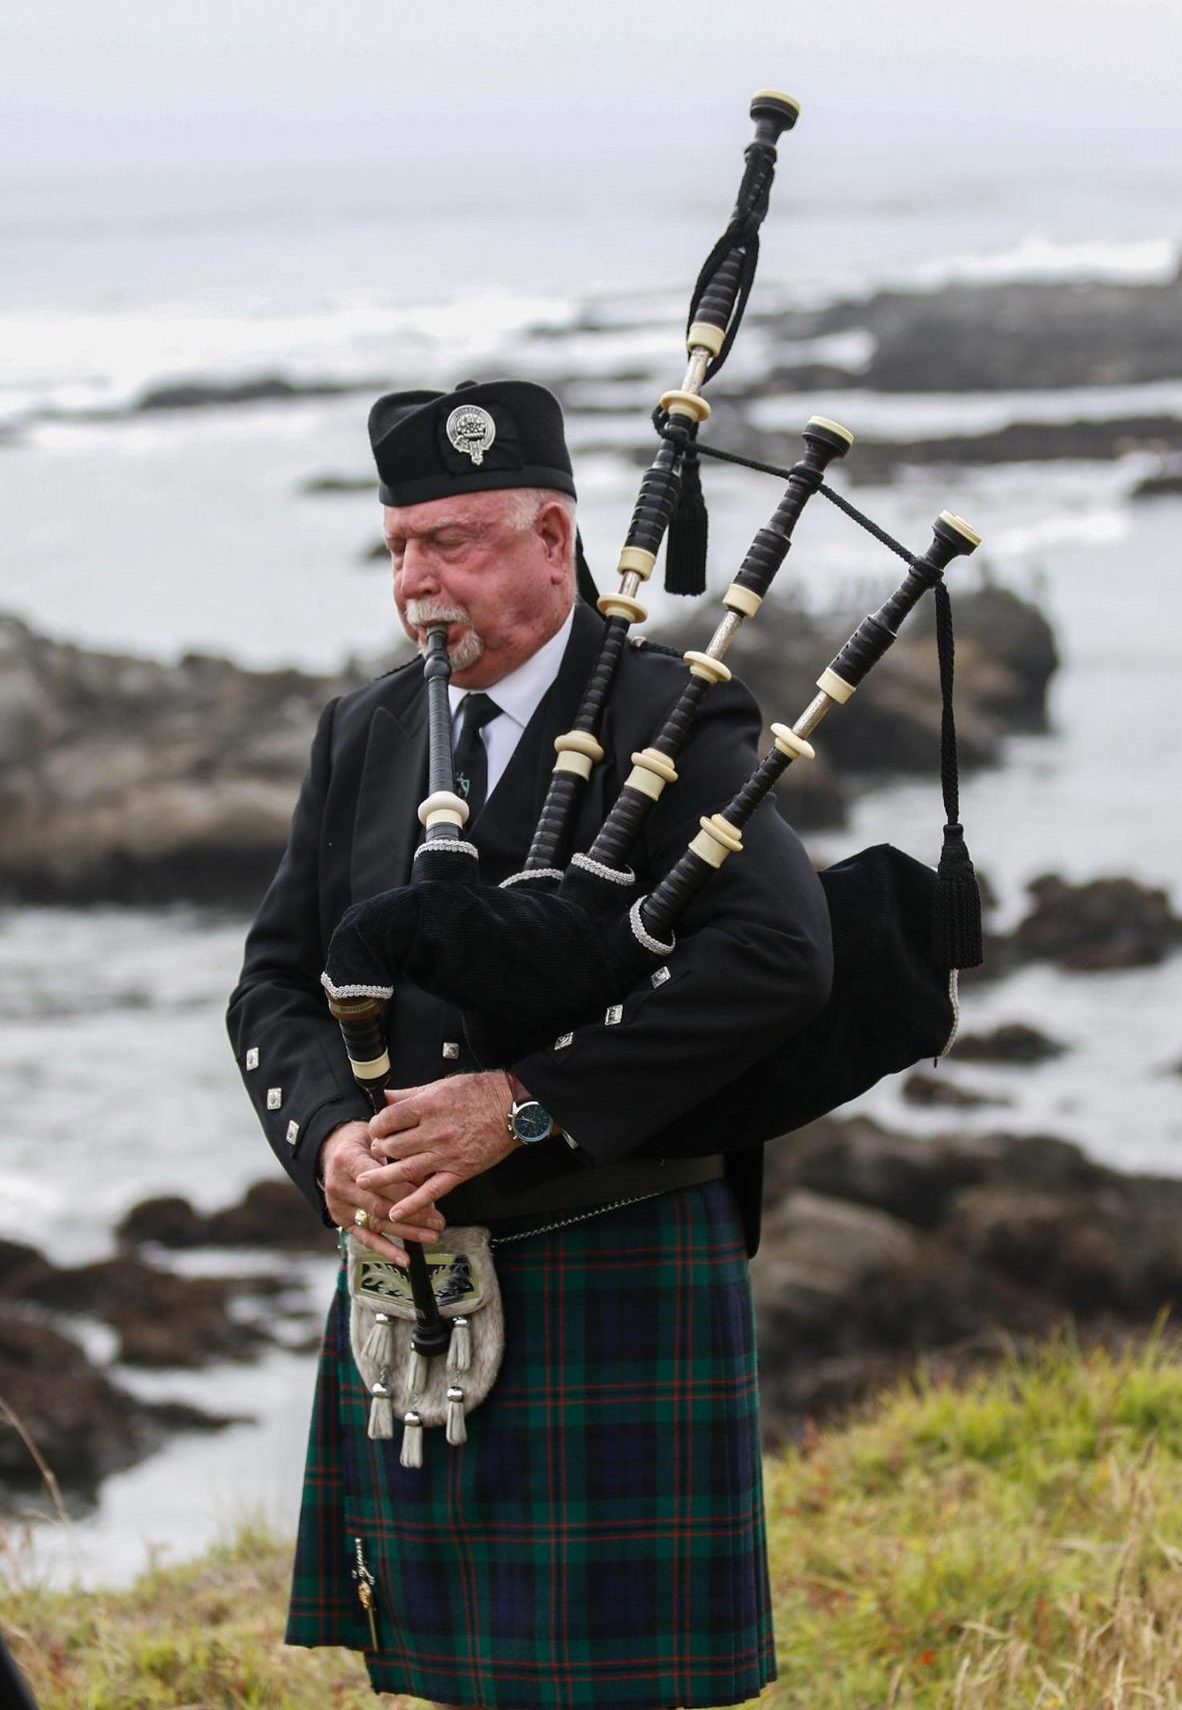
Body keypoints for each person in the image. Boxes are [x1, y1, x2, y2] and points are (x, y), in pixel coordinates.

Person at [227, 378, 833, 1708]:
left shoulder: (670, 712)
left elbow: (782, 951)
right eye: (400, 547)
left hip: (615, 1255)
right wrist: (331, 1138)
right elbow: (275, 981)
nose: (419, 582)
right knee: (451, 1680)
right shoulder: (368, 731)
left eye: (456, 542)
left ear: (555, 538)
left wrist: (529, 1102)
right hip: (417, 1282)